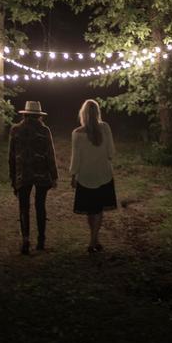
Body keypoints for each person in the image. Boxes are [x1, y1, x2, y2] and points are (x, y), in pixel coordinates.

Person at [9, 100, 58, 255]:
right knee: (40, 205)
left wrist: (13, 177)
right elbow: (50, 154)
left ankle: (25, 240)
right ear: (38, 115)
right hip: (41, 172)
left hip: (22, 173)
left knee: (23, 206)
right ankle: (41, 241)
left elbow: (11, 156)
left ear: (25, 114)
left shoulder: (15, 130)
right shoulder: (44, 130)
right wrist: (54, 175)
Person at [70, 99, 117, 253]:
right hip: (103, 174)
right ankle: (94, 239)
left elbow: (75, 158)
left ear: (82, 114)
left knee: (90, 209)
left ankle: (93, 239)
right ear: (97, 113)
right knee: (99, 209)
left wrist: (73, 175)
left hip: (85, 176)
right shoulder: (105, 128)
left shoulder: (77, 133)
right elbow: (111, 153)